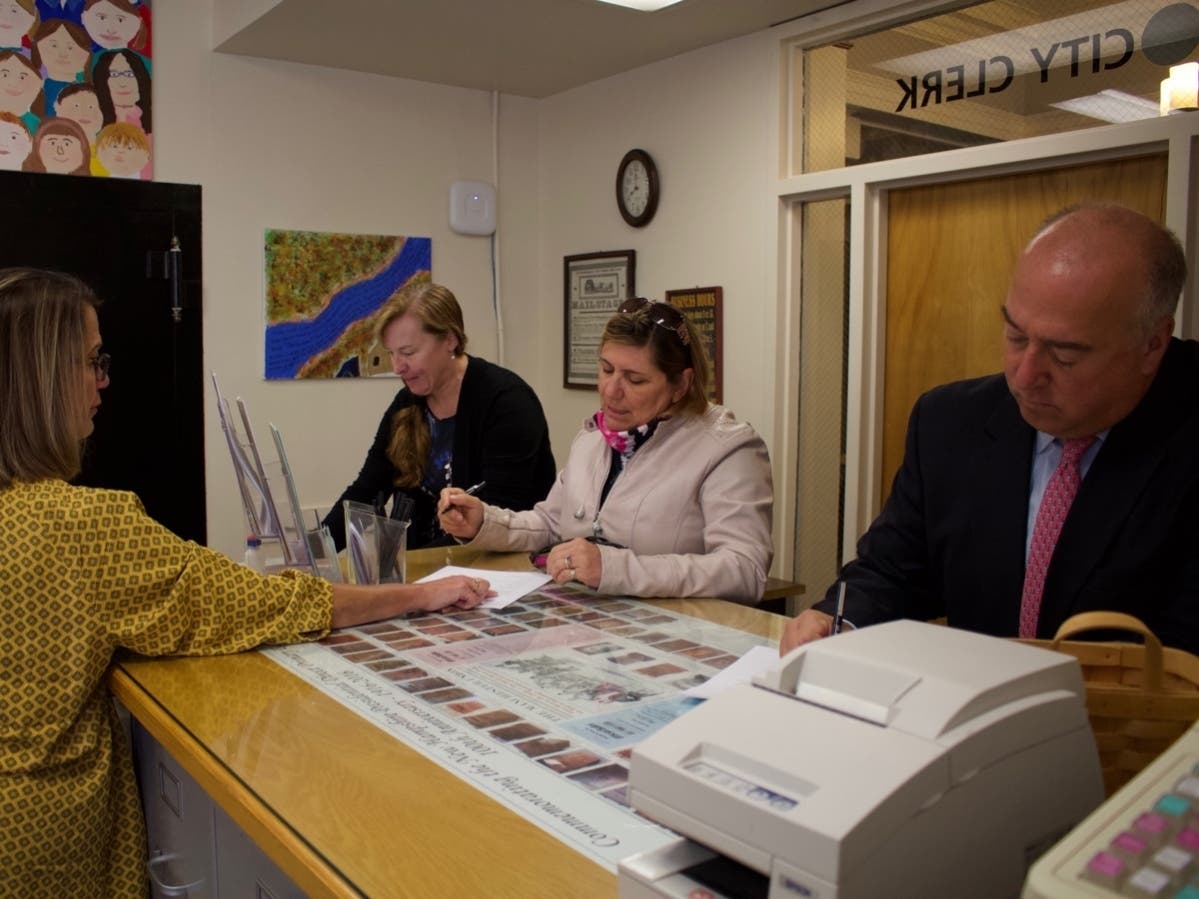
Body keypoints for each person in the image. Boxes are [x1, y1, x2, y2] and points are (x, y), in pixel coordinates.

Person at [0, 267, 491, 896]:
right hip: (43, 835)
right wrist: (420, 595)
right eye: (92, 360)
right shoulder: (82, 526)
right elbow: (265, 602)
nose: (104, 379)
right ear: (41, 375)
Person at [780, 203, 1199, 655]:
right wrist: (839, 622)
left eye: (1065, 355)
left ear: (1152, 345)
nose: (1024, 376)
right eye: (1016, 337)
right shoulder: (949, 422)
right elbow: (892, 570)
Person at [439, 296, 774, 604]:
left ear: (681, 385)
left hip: (677, 638)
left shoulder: (729, 449)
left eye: (635, 380)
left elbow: (744, 570)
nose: (611, 391)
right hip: (586, 624)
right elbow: (551, 524)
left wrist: (616, 569)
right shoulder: (594, 438)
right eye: (607, 370)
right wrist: (484, 521)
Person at [323, 280, 556, 551]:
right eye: (392, 354)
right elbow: (367, 489)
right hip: (425, 570)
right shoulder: (407, 403)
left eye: (409, 352)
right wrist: (315, 549)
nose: (398, 367)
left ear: (450, 340)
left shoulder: (506, 401)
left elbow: (503, 516)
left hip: (495, 571)